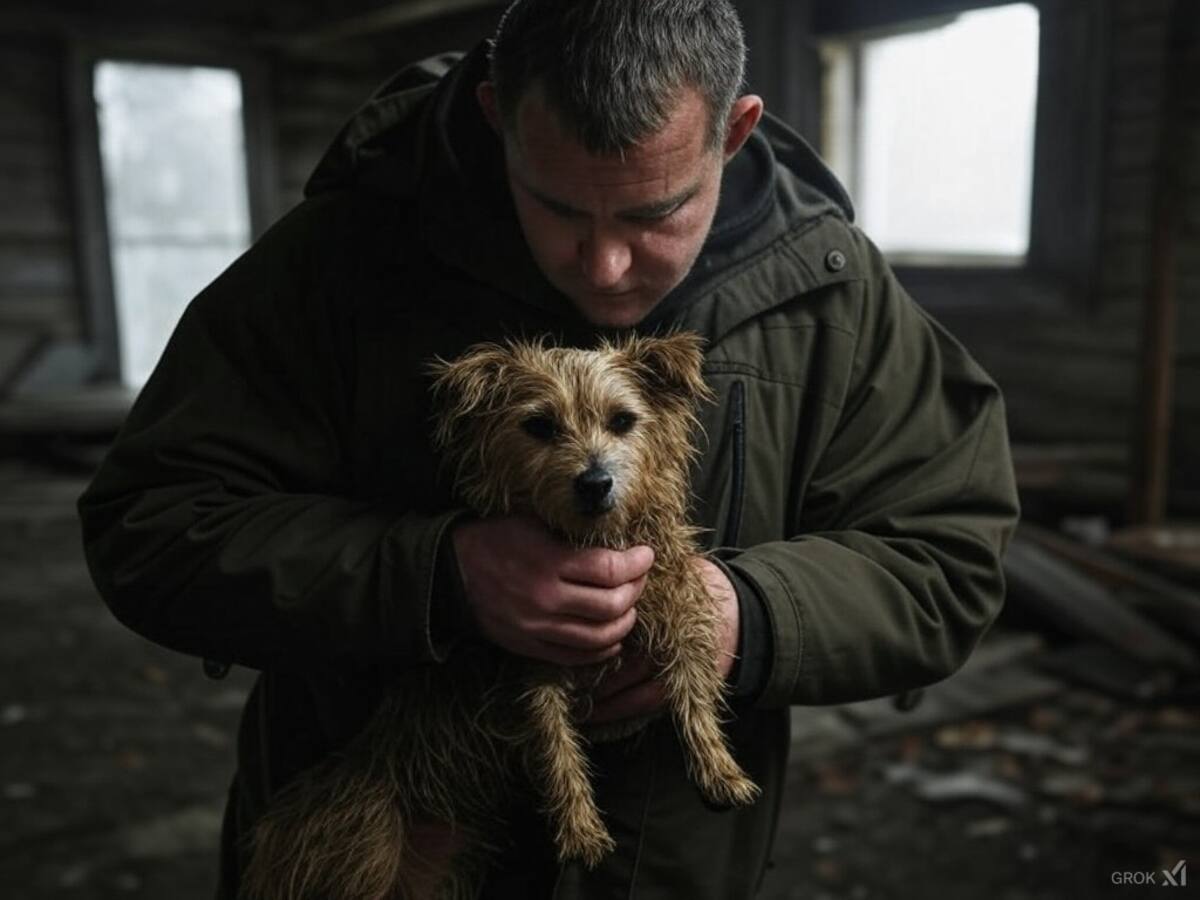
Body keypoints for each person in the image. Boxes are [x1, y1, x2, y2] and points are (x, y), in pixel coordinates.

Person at [78, 0, 1020, 897]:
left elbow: (947, 554)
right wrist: (432, 577)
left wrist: (750, 616)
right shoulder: (334, 263)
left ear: (732, 133)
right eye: (559, 206)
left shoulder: (833, 296)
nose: (605, 265)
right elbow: (151, 525)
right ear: (498, 117)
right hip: (380, 858)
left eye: (654, 215)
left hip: (670, 874)